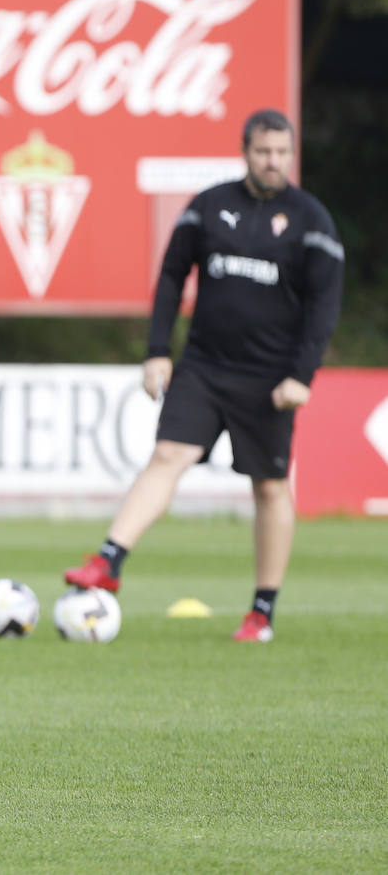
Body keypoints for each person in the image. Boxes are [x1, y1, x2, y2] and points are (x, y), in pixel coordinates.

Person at [64, 108, 344, 643]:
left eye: (282, 153)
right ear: (246, 151)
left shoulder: (312, 220)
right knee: (168, 454)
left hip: (270, 380)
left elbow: (324, 307)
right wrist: (156, 351)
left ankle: (261, 612)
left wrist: (302, 373)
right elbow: (171, 277)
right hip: (204, 366)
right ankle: (109, 561)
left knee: (269, 487)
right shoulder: (210, 206)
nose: (273, 161)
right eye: (264, 152)